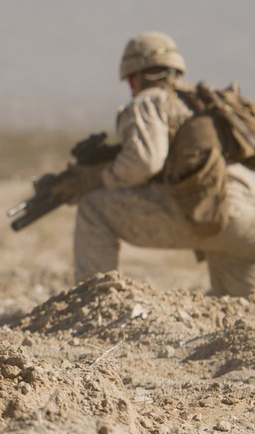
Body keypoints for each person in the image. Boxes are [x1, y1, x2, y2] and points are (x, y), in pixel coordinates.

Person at [57, 31, 255, 295]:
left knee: (93, 207)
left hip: (211, 211)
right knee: (236, 310)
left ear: (132, 78)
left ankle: (89, 303)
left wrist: (96, 179)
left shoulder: (150, 101)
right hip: (245, 219)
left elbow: (145, 161)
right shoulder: (204, 103)